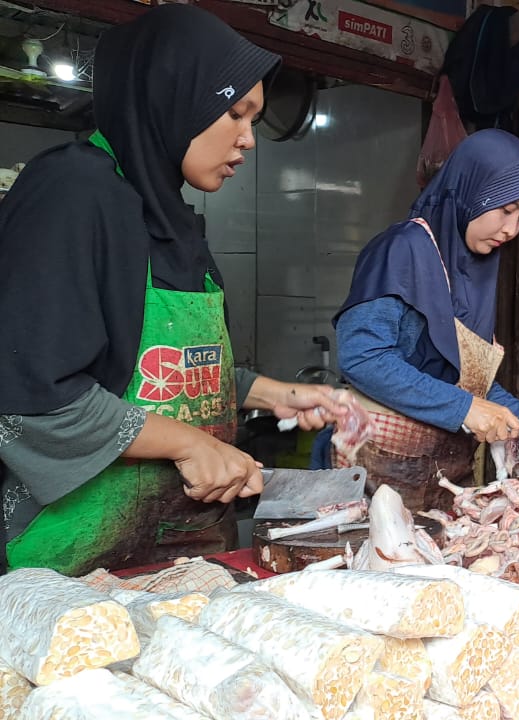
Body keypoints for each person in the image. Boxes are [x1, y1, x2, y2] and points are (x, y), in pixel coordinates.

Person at [0, 5, 343, 576]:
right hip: (76, 562)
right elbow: (31, 395)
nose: (248, 139)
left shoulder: (172, 218)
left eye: (254, 119)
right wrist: (189, 444)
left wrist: (275, 394)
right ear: (172, 97)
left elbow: (162, 367)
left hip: (188, 550)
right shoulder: (72, 191)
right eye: (235, 113)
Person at [334, 129, 519, 512]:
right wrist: (465, 408)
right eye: (505, 210)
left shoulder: (476, 270)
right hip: (379, 470)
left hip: (448, 477)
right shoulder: (401, 250)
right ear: (471, 192)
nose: (511, 230)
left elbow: (466, 379)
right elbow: (363, 357)